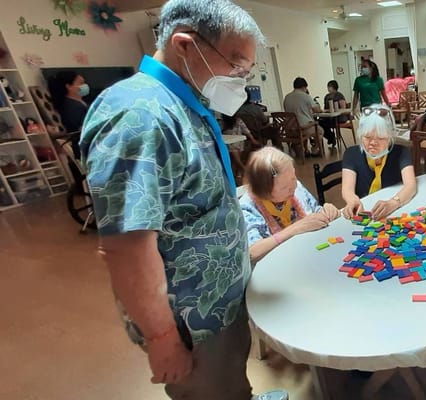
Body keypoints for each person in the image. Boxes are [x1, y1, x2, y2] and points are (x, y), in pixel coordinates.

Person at [79, 1, 287, 399]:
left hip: (219, 304)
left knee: (230, 381)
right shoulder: (140, 117)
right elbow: (127, 248)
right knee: (211, 389)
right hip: (191, 322)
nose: (242, 79)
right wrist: (161, 340)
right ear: (185, 45)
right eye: (236, 65)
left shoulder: (186, 105)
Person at [240, 147, 339, 263]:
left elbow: (313, 210)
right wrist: (295, 228)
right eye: (284, 187)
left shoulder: (296, 188)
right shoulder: (247, 208)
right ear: (264, 191)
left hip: (308, 255)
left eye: (293, 178)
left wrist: (325, 211)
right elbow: (251, 253)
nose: (293, 187)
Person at [341, 104, 416, 220]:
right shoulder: (351, 154)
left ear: (390, 137)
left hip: (394, 213)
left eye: (380, 138)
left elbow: (411, 185)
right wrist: (352, 201)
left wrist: (393, 203)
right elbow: (347, 189)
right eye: (367, 137)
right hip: (365, 210)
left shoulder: (401, 152)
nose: (373, 143)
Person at [48, 71, 89, 158]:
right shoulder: (71, 107)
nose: (85, 85)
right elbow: (81, 127)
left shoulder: (78, 103)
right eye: (81, 83)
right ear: (69, 86)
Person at [283, 76, 322, 157]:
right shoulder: (305, 96)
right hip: (302, 129)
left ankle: (305, 150)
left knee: (305, 124)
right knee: (320, 130)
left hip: (289, 129)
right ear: (304, 87)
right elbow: (317, 110)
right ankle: (315, 150)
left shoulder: (287, 97)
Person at [319, 80, 348, 147]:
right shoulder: (327, 96)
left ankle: (331, 137)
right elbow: (325, 108)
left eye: (329, 86)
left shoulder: (339, 95)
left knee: (324, 123)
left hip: (339, 117)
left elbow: (343, 108)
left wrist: (334, 110)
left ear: (333, 87)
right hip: (329, 116)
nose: (328, 88)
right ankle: (331, 137)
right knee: (319, 123)